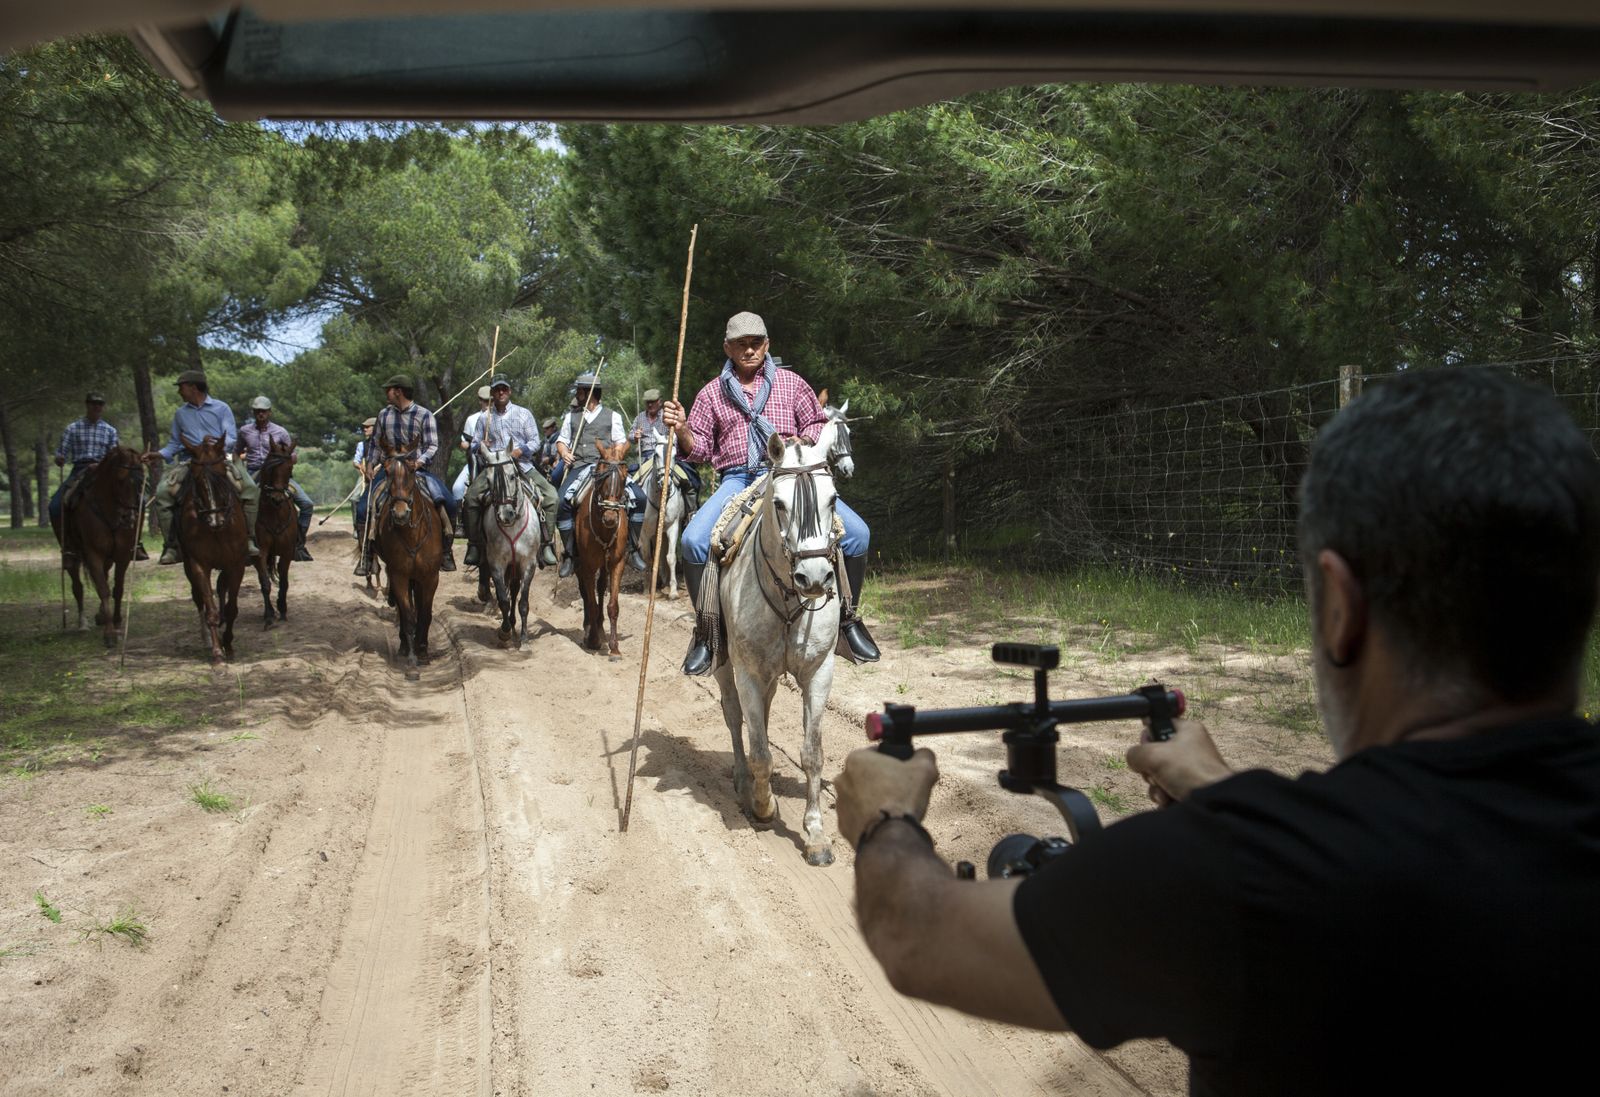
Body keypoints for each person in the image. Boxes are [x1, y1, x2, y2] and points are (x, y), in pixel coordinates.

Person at [832, 368, 1600, 1096]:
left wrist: (885, 820)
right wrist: (1230, 793)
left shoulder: (1248, 877)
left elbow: (916, 934)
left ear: (1341, 606)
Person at [661, 311, 879, 675]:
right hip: (737, 479)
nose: (749, 350)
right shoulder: (711, 393)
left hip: (790, 476)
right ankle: (707, 633)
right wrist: (682, 428)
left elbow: (815, 422)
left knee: (858, 535)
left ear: (767, 345)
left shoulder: (792, 383)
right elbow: (697, 448)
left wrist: (803, 439)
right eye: (741, 344)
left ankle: (848, 620)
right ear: (727, 348)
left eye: (756, 343)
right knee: (693, 541)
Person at [145, 370, 260, 564]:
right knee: (163, 494)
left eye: (181, 387)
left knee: (250, 489)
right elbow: (174, 444)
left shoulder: (221, 408)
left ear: (193, 387)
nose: (179, 392)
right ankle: (172, 546)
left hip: (222, 458)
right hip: (191, 460)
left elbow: (231, 437)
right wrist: (158, 454)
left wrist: (213, 442)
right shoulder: (180, 414)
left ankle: (248, 539)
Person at [353, 374, 458, 575]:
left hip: (417, 471)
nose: (386, 393)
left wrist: (419, 461)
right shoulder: (384, 415)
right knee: (362, 508)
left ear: (398, 391)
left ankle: (446, 551)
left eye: (388, 389)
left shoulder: (424, 415)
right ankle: (367, 554)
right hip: (389, 472)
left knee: (450, 503)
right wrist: (370, 465)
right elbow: (375, 444)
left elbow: (432, 445)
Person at [460, 377, 559, 572]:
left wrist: (520, 451)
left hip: (521, 465)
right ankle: (474, 546)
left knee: (552, 497)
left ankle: (546, 545)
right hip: (494, 467)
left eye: (504, 389)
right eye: (497, 390)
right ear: (493, 394)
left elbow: (535, 442)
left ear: (510, 391)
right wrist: (482, 447)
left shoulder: (524, 414)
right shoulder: (484, 419)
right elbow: (473, 445)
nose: (500, 393)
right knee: (471, 498)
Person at [554, 370, 648, 577]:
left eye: (579, 390)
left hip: (607, 468)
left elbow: (620, 442)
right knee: (560, 502)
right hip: (579, 466)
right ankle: (570, 553)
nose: (577, 393)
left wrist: (615, 454)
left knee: (640, 498)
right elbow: (561, 440)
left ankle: (632, 548)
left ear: (589, 393)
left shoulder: (612, 416)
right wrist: (564, 452)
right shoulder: (571, 417)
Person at [236, 395, 314, 562]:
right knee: (239, 504)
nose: (260, 414)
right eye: (257, 411)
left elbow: (293, 456)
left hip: (278, 475)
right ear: (253, 412)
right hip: (254, 474)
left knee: (307, 504)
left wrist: (285, 460)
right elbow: (237, 452)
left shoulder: (280, 432)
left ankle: (297, 543)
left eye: (263, 411)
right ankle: (244, 544)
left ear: (269, 412)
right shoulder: (244, 431)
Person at [631, 386, 701, 513]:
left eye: (653, 401)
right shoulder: (639, 418)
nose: (650, 404)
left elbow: (678, 435)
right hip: (646, 457)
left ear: (660, 402)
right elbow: (630, 436)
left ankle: (692, 512)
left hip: (667, 456)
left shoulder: (667, 416)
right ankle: (632, 517)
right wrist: (635, 436)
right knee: (629, 483)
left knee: (688, 479)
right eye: (648, 402)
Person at [452, 385, 494, 506]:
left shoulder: (501, 417)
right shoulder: (472, 419)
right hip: (475, 461)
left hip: (496, 461)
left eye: (491, 401)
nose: (488, 404)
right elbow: (464, 443)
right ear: (480, 400)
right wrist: (476, 445)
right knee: (457, 488)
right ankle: (459, 521)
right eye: (485, 401)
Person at [351, 416, 378, 541]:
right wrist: (361, 467)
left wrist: (378, 468)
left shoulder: (384, 443)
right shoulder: (362, 445)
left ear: (375, 428)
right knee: (355, 498)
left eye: (367, 427)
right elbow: (355, 461)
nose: (364, 429)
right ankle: (357, 527)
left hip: (382, 474)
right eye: (364, 427)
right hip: (365, 476)